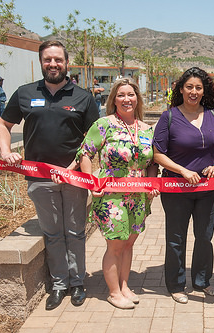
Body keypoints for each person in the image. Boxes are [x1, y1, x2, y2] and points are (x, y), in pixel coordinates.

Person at [0, 40, 99, 311]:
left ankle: (77, 283)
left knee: (75, 232)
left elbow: (93, 140)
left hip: (73, 177)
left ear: (67, 63)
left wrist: (74, 168)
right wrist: (6, 151)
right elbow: (3, 124)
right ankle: (59, 284)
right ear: (42, 62)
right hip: (39, 178)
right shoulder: (25, 93)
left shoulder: (83, 97)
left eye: (58, 60)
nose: (53, 64)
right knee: (53, 234)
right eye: (48, 60)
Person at [76, 78, 159, 309]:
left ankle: (124, 286)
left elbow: (153, 161)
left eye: (130, 94)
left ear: (137, 98)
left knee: (129, 243)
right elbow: (85, 152)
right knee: (115, 244)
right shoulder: (104, 124)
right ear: (113, 99)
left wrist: (152, 181)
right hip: (111, 195)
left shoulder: (145, 129)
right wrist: (91, 182)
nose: (126, 99)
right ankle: (113, 293)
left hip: (138, 196)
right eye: (121, 95)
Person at [153, 67, 214, 304]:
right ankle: (176, 285)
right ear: (181, 89)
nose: (193, 92)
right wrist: (183, 170)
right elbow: (157, 154)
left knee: (204, 236)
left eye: (198, 87)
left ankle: (202, 281)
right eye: (189, 87)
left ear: (204, 90)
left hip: (206, 189)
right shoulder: (170, 117)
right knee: (176, 238)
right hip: (176, 189)